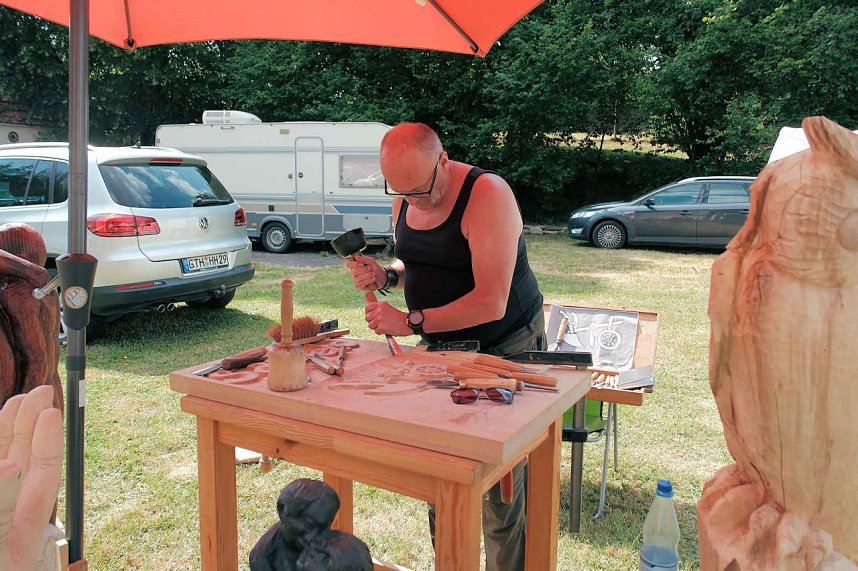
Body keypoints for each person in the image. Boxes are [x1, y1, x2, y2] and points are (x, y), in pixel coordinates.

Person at [345, 122, 546, 571]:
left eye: (419, 189)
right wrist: (386, 276)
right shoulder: (405, 192)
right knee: (443, 474)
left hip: (504, 346)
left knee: (501, 490)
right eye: (400, 191)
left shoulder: (488, 194)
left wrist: (411, 321)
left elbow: (491, 302)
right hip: (442, 351)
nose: (411, 200)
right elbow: (416, 259)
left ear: (443, 160)